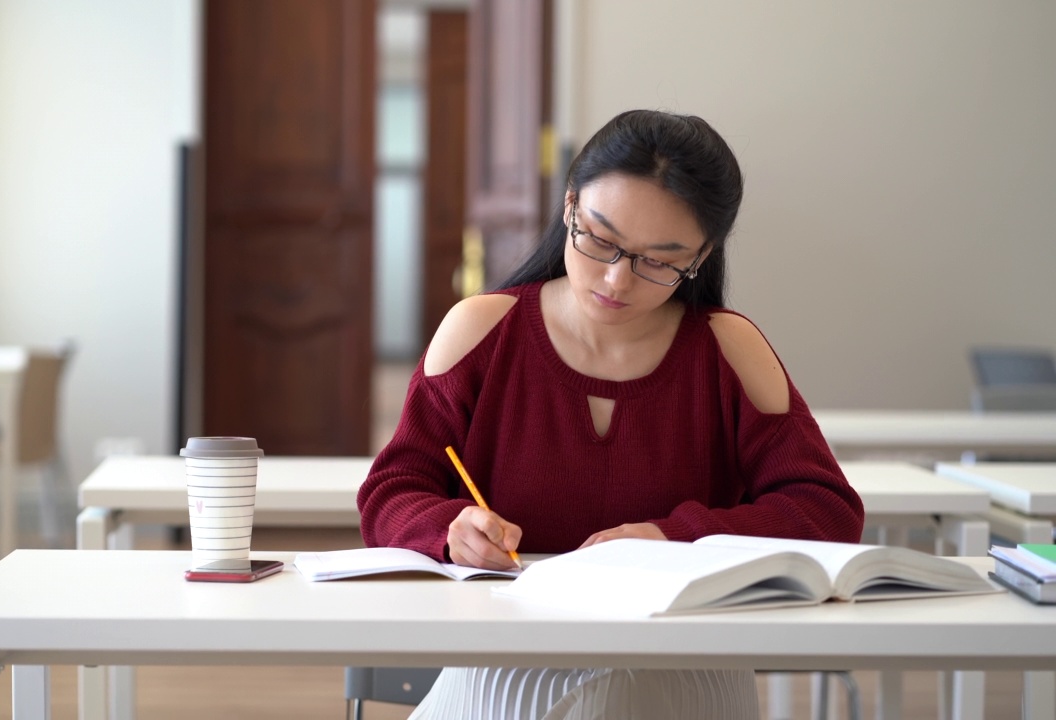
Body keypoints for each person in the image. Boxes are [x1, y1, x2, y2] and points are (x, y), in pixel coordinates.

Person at [356, 109, 865, 719]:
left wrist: (674, 539)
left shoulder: (729, 349)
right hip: (504, 669)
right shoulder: (481, 331)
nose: (617, 280)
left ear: (702, 255)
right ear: (570, 207)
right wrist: (449, 528)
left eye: (659, 260)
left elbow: (827, 510)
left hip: (680, 678)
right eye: (600, 240)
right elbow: (391, 490)